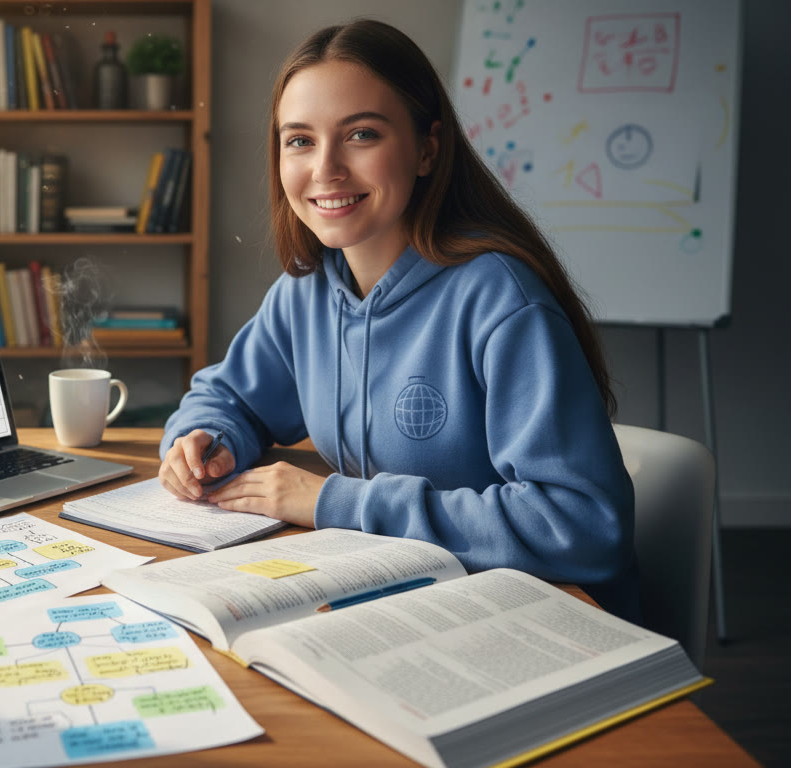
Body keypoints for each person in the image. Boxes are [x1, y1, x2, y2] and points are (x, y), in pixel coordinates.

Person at [157, 20, 637, 617]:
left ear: (428, 149)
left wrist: (336, 501)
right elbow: (227, 398)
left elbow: (585, 528)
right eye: (299, 140)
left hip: (524, 617)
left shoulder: (502, 301)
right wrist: (206, 442)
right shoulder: (305, 292)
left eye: (360, 134)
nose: (325, 169)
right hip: (388, 596)